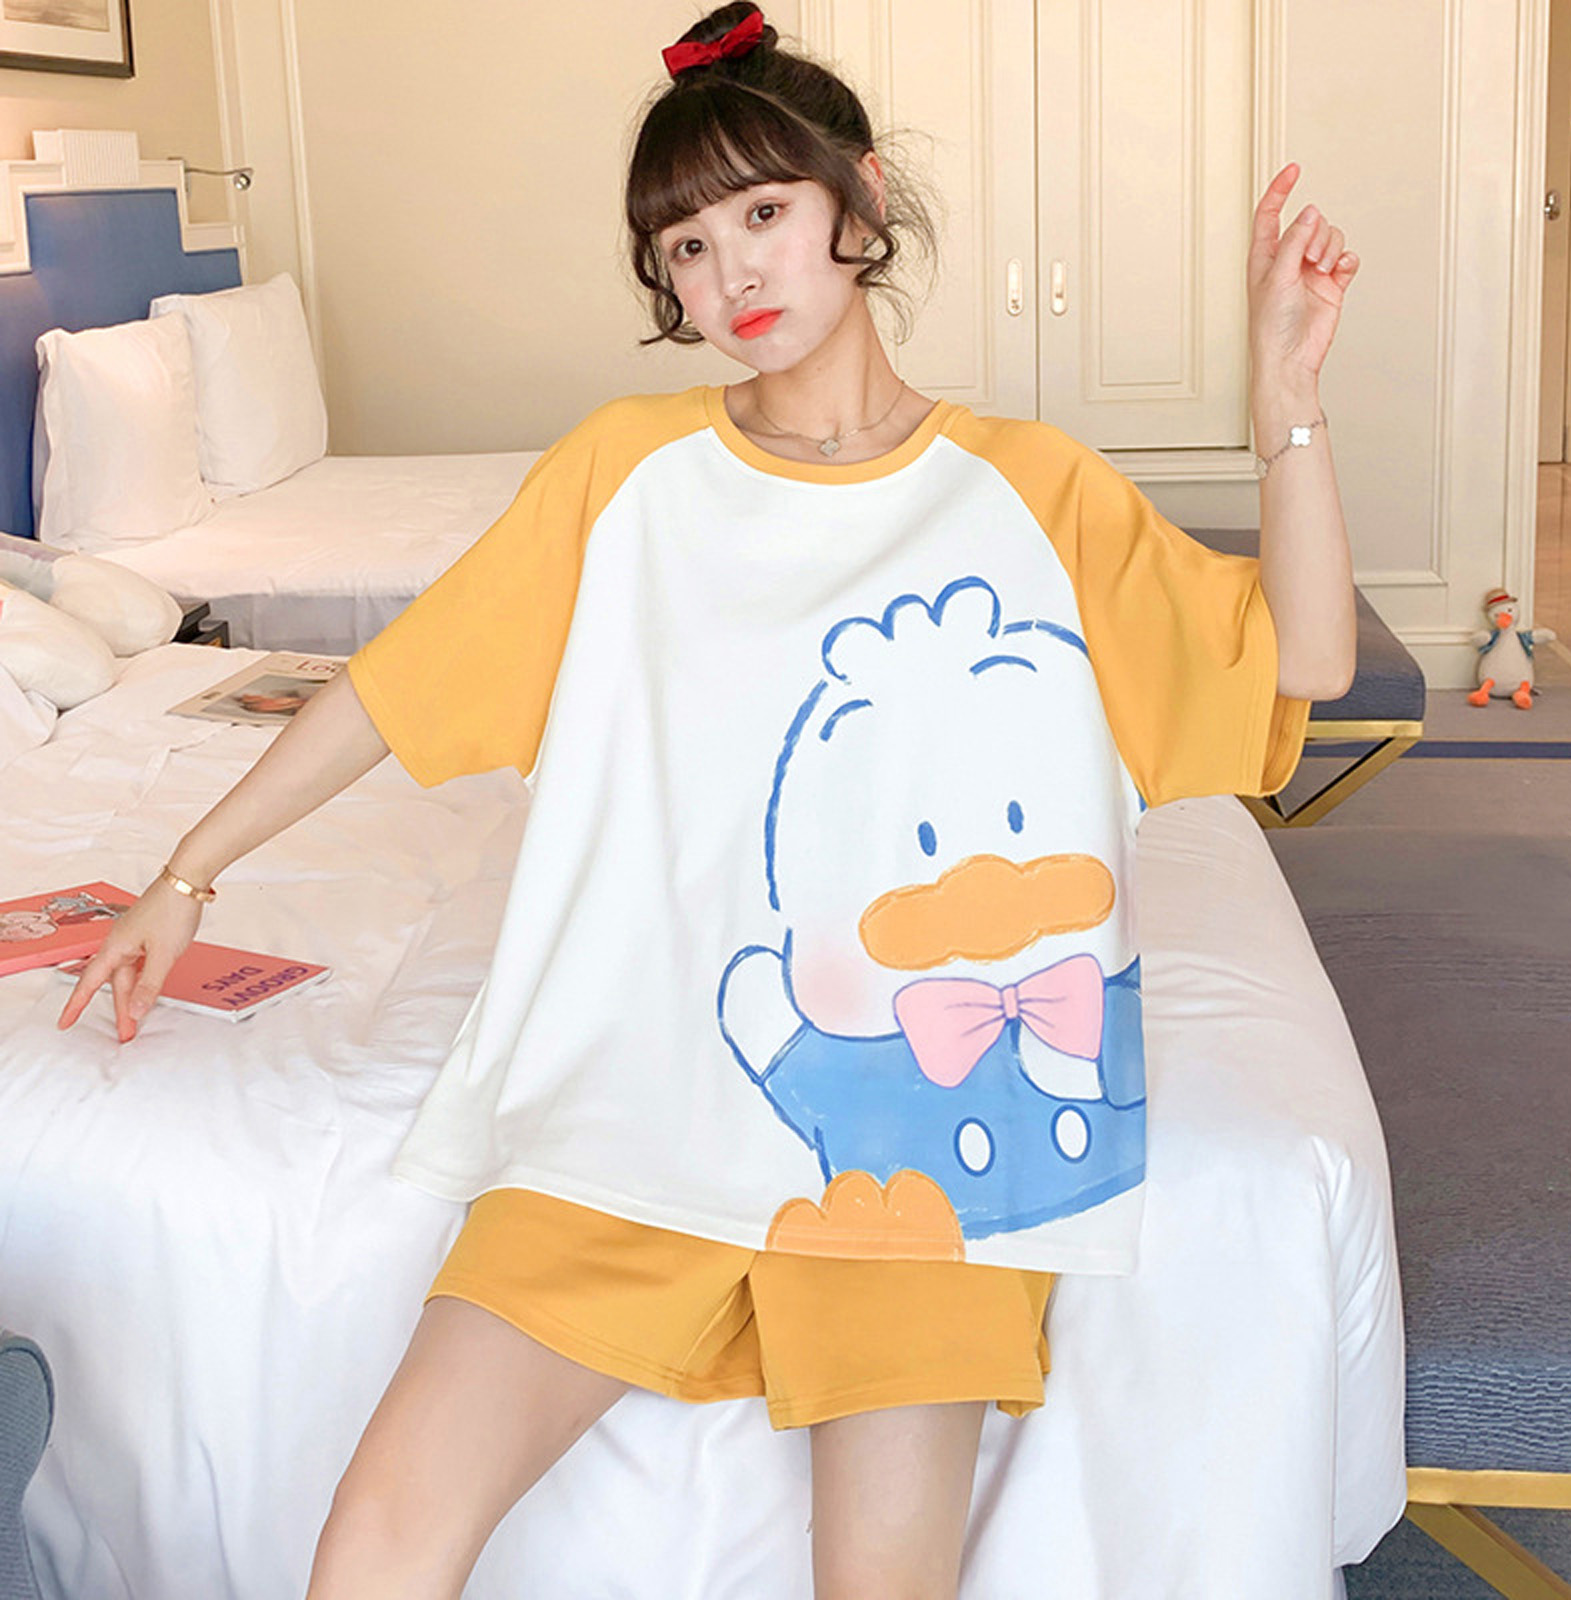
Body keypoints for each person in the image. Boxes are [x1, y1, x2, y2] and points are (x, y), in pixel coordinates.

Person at [59, 6, 1360, 1596]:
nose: (730, 271)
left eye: (763, 213)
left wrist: (1284, 396)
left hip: (929, 1157)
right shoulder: (624, 473)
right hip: (632, 1097)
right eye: (685, 245)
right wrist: (185, 874)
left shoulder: (1035, 489)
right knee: (378, 1541)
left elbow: (1305, 657)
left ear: (857, 202)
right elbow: (394, 688)